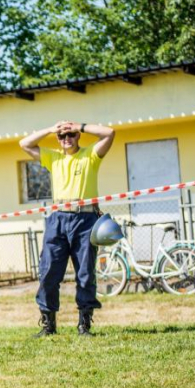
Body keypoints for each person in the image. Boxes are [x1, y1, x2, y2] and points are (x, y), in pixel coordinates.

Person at [19, 120, 115, 337]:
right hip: (58, 219)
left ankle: (84, 324)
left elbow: (109, 133)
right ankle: (48, 325)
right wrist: (50, 129)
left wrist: (79, 125)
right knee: (49, 272)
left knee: (85, 273)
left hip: (85, 219)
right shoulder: (53, 157)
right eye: (62, 136)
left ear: (78, 136)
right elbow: (24, 144)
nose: (66, 139)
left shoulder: (90, 155)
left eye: (70, 135)